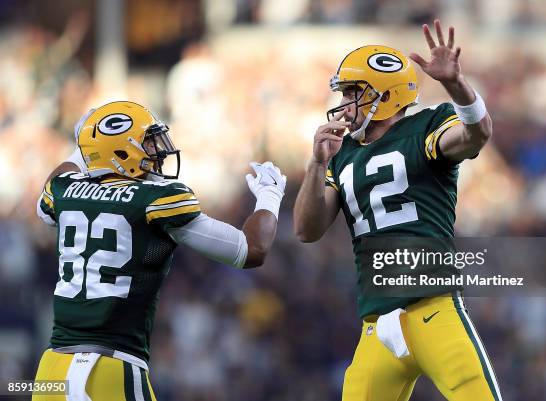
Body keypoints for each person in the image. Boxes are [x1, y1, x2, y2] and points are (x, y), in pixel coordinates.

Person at [294, 20, 501, 401]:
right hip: (376, 324)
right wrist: (315, 165)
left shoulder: (425, 126)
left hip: (432, 309)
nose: (343, 105)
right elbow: (307, 229)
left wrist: (456, 85)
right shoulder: (342, 156)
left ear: (384, 96)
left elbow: (477, 133)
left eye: (353, 93)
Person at [34, 100, 286, 400]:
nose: (158, 152)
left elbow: (50, 193)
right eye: (148, 143)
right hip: (112, 369)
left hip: (51, 372)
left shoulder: (62, 191)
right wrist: (270, 195)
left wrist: (82, 149)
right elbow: (251, 250)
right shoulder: (155, 199)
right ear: (120, 152)